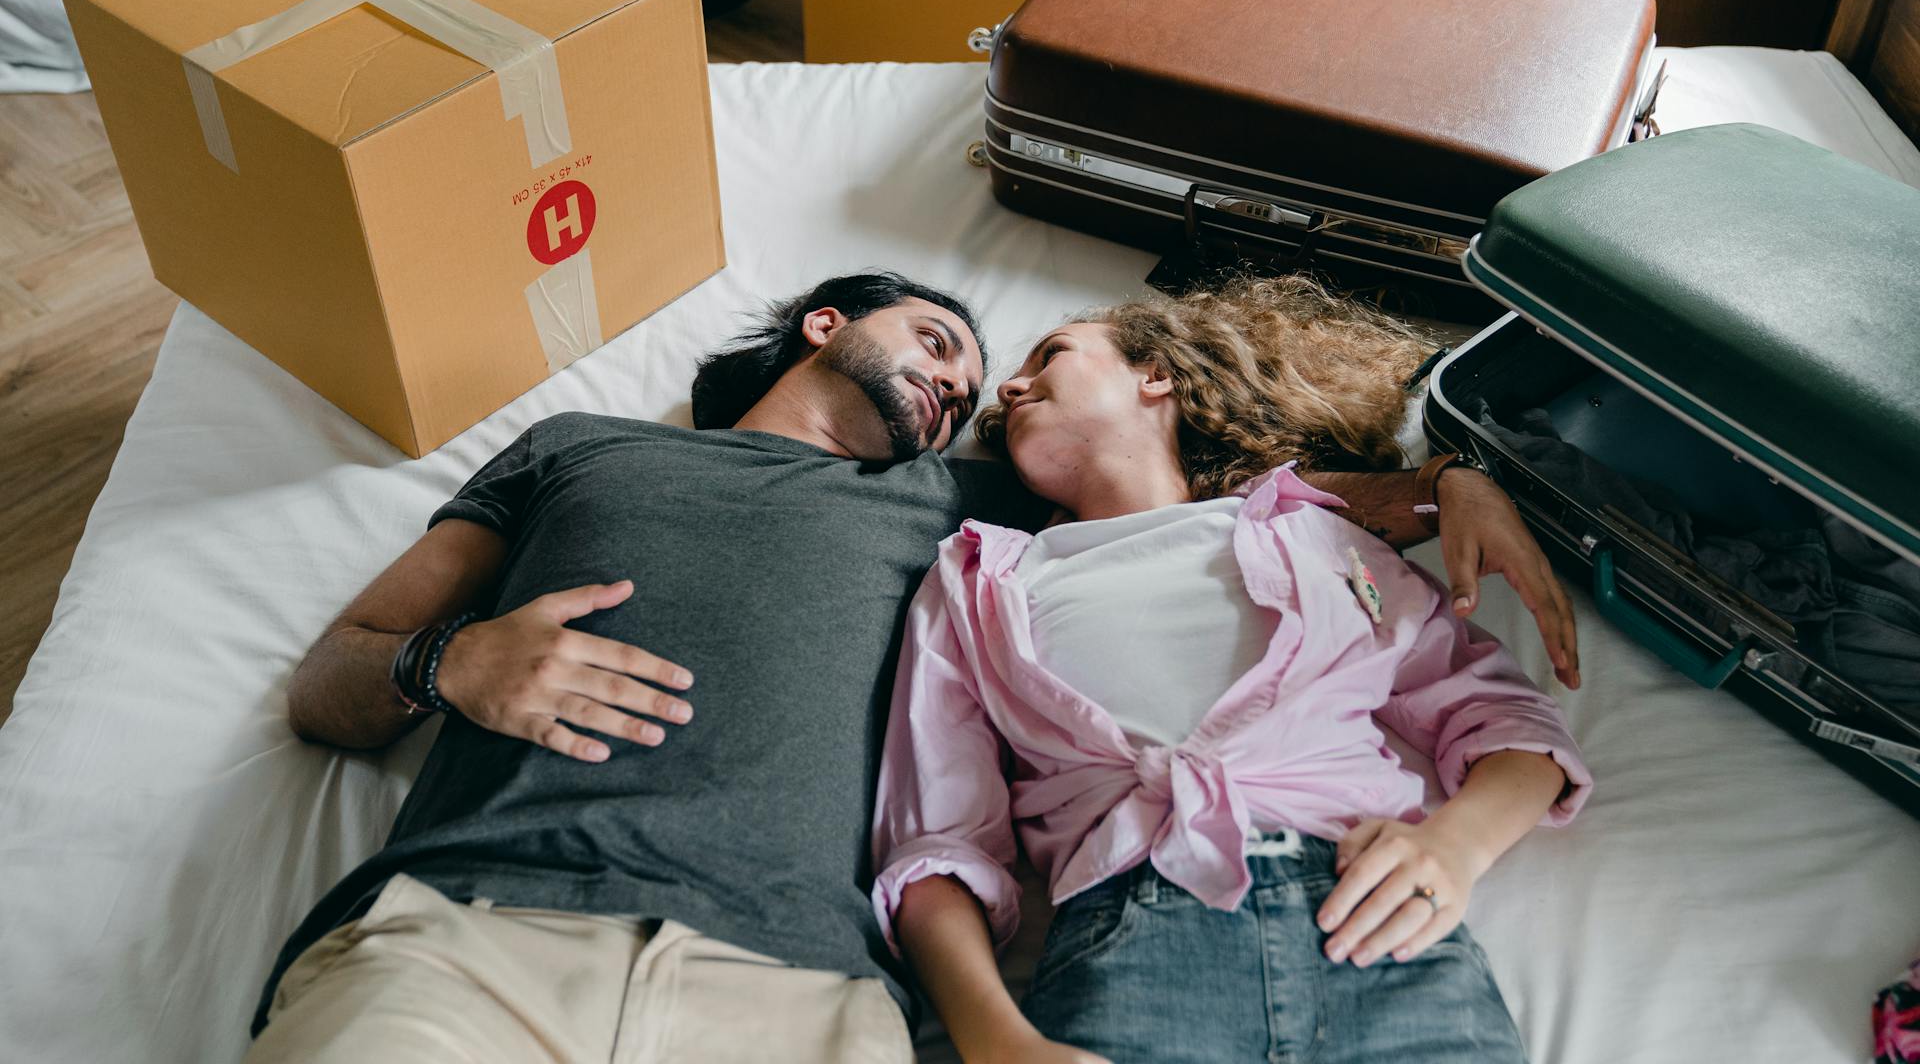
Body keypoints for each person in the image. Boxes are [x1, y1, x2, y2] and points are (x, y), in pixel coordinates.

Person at [245, 270, 1574, 1064]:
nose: (962, 392)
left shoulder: (973, 518)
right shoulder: (587, 447)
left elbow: (1221, 505)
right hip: (470, 935)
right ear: (828, 323)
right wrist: (450, 667)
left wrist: (1449, 474)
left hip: (796, 999)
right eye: (938, 343)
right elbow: (328, 688)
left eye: (980, 385)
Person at [872, 275, 1590, 1064]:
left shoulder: (1309, 535)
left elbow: (1506, 727)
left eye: (1051, 355)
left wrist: (1455, 848)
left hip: (1383, 928)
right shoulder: (979, 578)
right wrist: (996, 1041)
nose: (1009, 388)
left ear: (1157, 375)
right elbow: (936, 843)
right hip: (1134, 945)